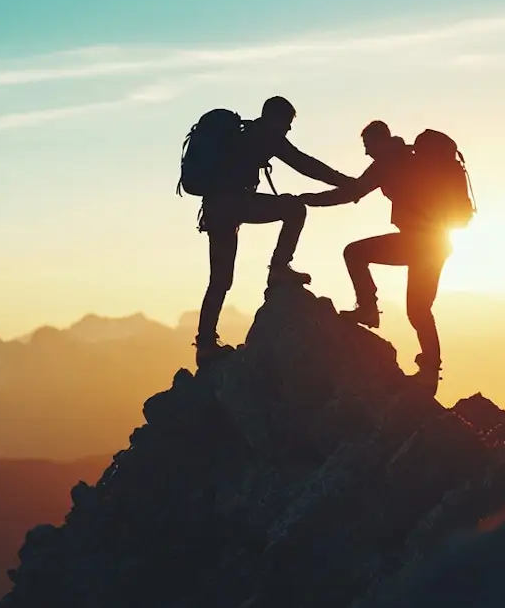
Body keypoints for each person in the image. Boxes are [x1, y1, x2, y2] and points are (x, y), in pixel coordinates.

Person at [301, 120, 464, 390]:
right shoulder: (409, 157)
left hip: (417, 242)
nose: (366, 153)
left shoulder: (388, 162)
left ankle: (368, 309)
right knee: (419, 309)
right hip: (437, 243)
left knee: (354, 253)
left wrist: (306, 199)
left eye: (368, 146)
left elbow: (352, 192)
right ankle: (430, 373)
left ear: (380, 141)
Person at [193, 96, 353, 368]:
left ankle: (205, 345)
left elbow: (301, 162)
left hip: (216, 209)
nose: (288, 130)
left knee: (220, 279)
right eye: (287, 124)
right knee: (294, 208)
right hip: (233, 204)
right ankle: (279, 268)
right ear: (274, 118)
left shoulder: (247, 133)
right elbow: (304, 163)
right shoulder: (266, 136)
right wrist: (348, 183)